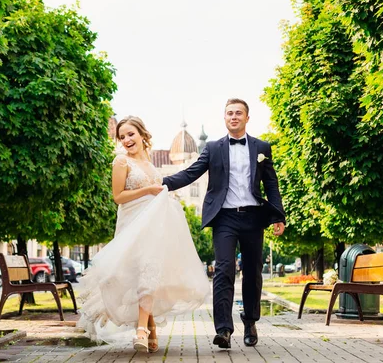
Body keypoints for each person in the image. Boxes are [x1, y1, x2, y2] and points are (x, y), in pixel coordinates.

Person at [77, 116, 210, 353]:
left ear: (141, 135)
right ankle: (149, 327)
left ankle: (142, 330)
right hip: (132, 224)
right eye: (122, 136)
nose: (127, 140)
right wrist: (148, 189)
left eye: (131, 134)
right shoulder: (120, 161)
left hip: (154, 226)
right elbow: (118, 196)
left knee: (150, 272)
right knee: (134, 276)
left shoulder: (150, 163)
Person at [163, 98, 286, 348]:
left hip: (253, 217)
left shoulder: (262, 147)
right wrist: (163, 183)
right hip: (225, 218)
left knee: (252, 273)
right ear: (224, 117)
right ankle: (224, 330)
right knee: (224, 270)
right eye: (229, 113)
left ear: (247, 118)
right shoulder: (213, 148)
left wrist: (278, 215)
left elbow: (271, 183)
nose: (233, 117)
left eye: (238, 113)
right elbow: (191, 173)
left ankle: (250, 321)